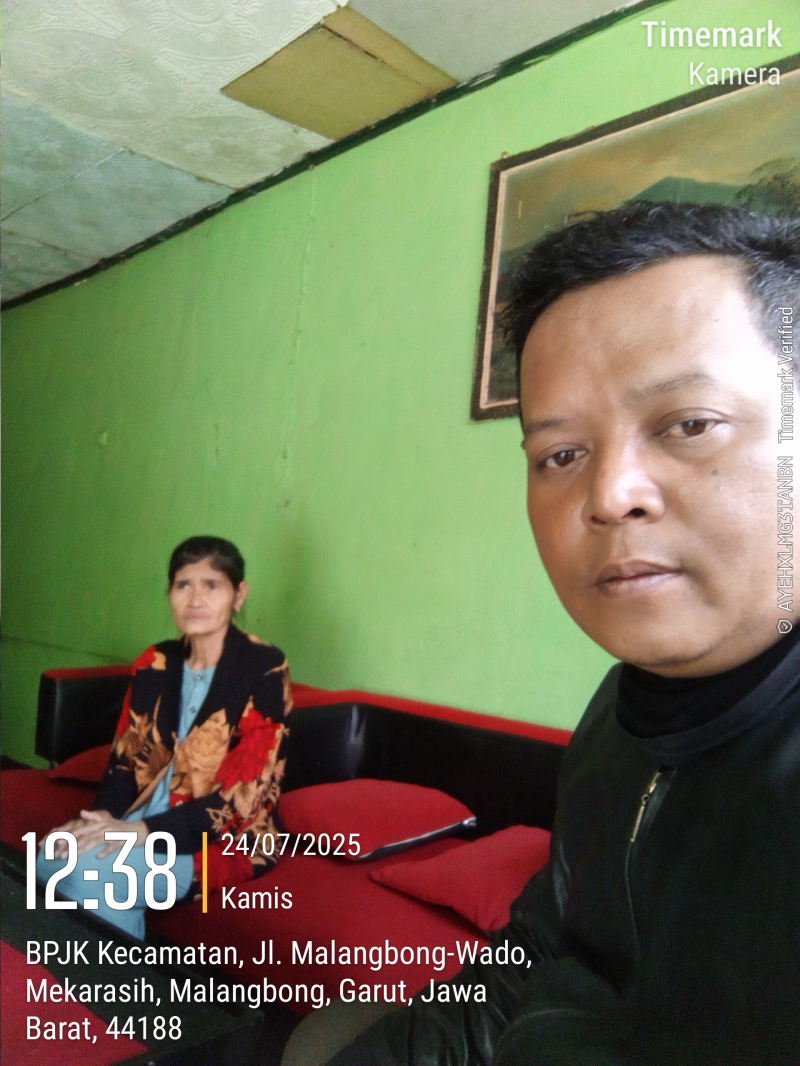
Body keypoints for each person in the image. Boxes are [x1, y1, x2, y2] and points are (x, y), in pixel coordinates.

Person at [289, 204, 799, 1065]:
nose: (610, 495)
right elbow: (539, 953)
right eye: (561, 455)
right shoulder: (622, 712)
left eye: (689, 423)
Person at [37, 535, 291, 940]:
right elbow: (123, 762)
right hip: (136, 822)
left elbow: (243, 796)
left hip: (220, 840)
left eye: (212, 585)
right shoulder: (155, 661)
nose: (195, 599)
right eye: (183, 584)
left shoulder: (264, 667)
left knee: (90, 873)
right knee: (50, 855)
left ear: (238, 595)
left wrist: (141, 833)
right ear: (170, 592)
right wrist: (102, 821)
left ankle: (108, 981)